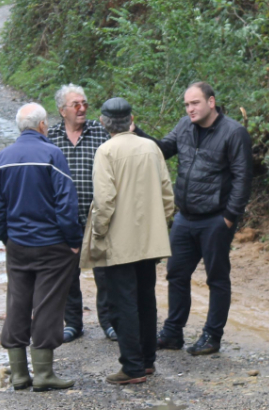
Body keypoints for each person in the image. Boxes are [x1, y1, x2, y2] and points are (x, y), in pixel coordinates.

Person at [150, 82, 253, 356]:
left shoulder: (234, 132)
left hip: (216, 218)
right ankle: (173, 333)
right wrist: (136, 134)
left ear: (211, 102)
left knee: (217, 278)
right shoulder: (184, 126)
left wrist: (230, 217)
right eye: (186, 104)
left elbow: (243, 178)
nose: (190, 109)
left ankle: (212, 335)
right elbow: (162, 149)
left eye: (194, 103)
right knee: (176, 273)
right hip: (185, 217)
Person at [0, 103, 82, 391]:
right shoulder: (53, 154)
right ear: (42, 126)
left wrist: (8, 238)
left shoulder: (3, 157)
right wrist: (73, 241)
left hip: (18, 245)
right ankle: (43, 374)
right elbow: (66, 204)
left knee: (17, 304)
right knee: (47, 306)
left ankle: (18, 375)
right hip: (53, 245)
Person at [80, 97, 174, 385]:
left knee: (123, 303)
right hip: (149, 241)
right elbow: (168, 196)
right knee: (146, 299)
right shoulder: (151, 147)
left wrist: (98, 232)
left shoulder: (105, 151)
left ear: (103, 122)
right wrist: (161, 226)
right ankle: (147, 362)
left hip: (119, 243)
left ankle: (131, 367)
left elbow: (104, 201)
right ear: (131, 119)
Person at [47, 84, 116, 343]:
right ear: (62, 110)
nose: (82, 108)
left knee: (105, 273)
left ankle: (109, 322)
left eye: (85, 103)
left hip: (97, 215)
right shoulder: (51, 136)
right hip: (63, 219)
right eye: (76, 104)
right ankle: (73, 322)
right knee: (67, 273)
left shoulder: (100, 133)